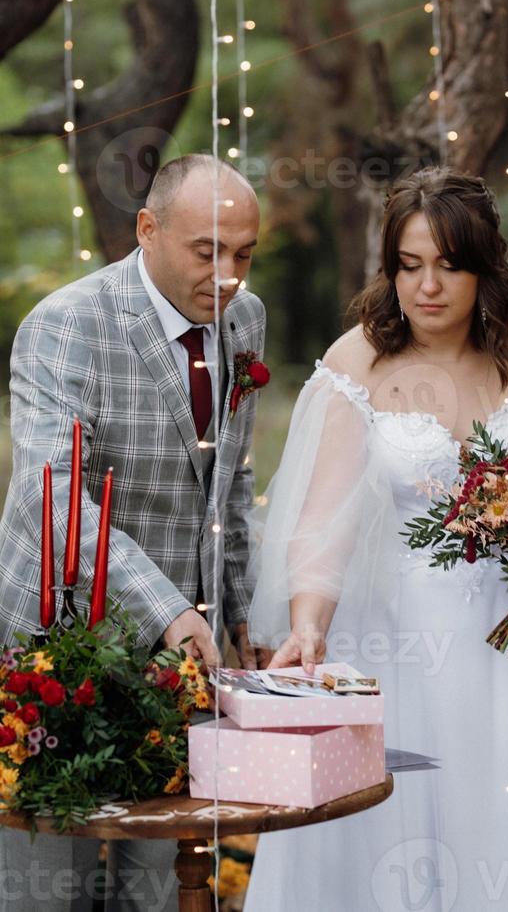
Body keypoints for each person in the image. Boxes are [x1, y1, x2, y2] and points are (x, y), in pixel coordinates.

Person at [244, 168, 508, 911]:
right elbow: (319, 524)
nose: (426, 286)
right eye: (408, 265)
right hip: (397, 645)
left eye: (448, 265)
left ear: (485, 269)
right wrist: (307, 627)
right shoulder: (356, 364)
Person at [0, 155, 266, 910]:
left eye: (244, 253)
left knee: (157, 887)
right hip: (57, 645)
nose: (228, 275)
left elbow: (230, 480)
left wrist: (236, 606)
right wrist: (167, 608)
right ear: (148, 230)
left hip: (181, 663)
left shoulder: (246, 319)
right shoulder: (64, 325)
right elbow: (53, 494)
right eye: (207, 250)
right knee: (49, 889)